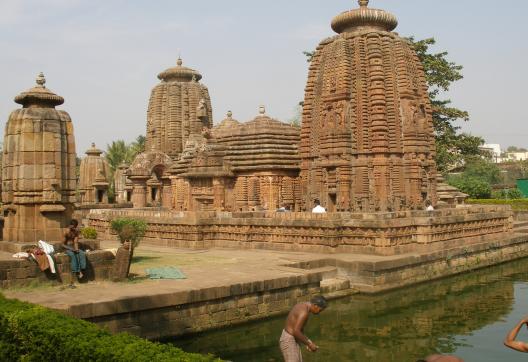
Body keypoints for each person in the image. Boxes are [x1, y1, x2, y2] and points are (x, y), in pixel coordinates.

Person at [279, 296, 327, 362]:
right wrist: (309, 344)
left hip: (291, 338)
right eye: (320, 310)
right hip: (289, 340)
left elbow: (299, 329)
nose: (319, 312)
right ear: (315, 305)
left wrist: (308, 341)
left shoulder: (302, 305)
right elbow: (296, 331)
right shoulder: (304, 312)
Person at [63, 219, 87, 288]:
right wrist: (71, 249)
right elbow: (62, 244)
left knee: (81, 253)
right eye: (73, 227)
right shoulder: (66, 232)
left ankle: (82, 269)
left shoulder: (76, 232)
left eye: (75, 227)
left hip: (73, 248)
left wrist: (76, 249)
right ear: (70, 225)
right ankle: (77, 271)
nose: (74, 228)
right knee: (73, 256)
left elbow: (76, 242)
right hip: (67, 248)